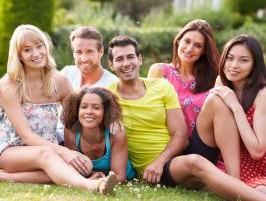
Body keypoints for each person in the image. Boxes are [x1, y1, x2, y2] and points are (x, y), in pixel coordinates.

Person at [0, 24, 117, 195]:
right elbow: (26, 136)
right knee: (50, 156)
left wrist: (113, 117)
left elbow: (79, 117)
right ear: (19, 55)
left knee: (80, 164)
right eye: (27, 50)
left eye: (39, 46)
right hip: (11, 150)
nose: (36, 53)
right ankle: (92, 185)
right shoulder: (9, 86)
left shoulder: (59, 81)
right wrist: (65, 152)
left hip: (49, 148)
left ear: (46, 47)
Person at [159, 35, 266, 200]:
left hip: (258, 166)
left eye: (244, 60)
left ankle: (234, 183)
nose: (234, 66)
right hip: (237, 166)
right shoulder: (222, 83)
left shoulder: (262, 93)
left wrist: (235, 106)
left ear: (254, 65)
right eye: (230, 58)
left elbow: (257, 150)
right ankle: (234, 182)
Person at [106, 35, 189, 184]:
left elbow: (181, 135)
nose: (126, 63)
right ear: (111, 65)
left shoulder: (162, 86)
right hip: (149, 171)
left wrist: (160, 161)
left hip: (172, 159)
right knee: (195, 162)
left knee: (194, 161)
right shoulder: (107, 97)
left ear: (140, 59)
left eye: (130, 57)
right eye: (119, 59)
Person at [148, 19, 219, 136]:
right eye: (187, 41)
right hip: (167, 141)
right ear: (178, 41)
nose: (190, 49)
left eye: (198, 45)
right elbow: (149, 110)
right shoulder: (159, 71)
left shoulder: (213, 78)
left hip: (201, 144)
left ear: (204, 51)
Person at [57, 26, 119, 143]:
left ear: (101, 52)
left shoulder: (112, 84)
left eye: (89, 52)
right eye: (79, 52)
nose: (83, 58)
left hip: (89, 143)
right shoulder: (66, 73)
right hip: (58, 136)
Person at [63, 87, 136, 183]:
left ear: (106, 112)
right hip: (91, 177)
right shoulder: (70, 131)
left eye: (96, 108)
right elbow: (73, 168)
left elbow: (119, 176)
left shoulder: (117, 133)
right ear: (77, 110)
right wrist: (92, 175)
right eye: (84, 107)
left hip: (124, 179)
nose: (89, 112)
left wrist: (95, 181)